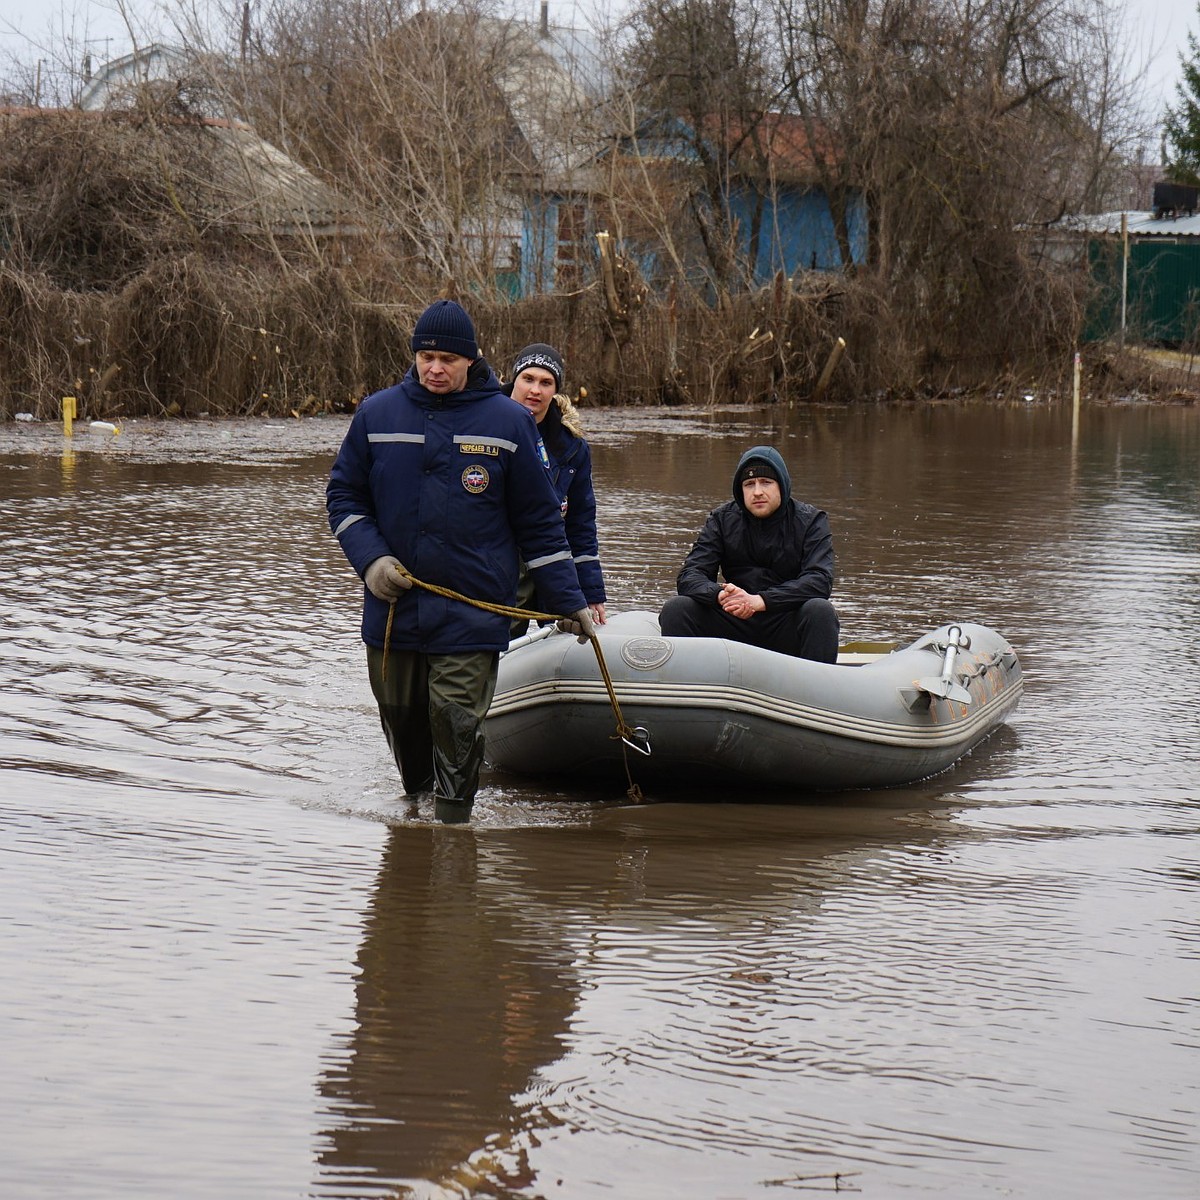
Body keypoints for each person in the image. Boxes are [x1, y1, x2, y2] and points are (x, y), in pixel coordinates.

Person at [326, 299, 594, 824]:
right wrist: (372, 561)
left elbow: (541, 524)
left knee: (457, 721)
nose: (436, 368)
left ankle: (452, 831)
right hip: (394, 612)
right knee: (403, 722)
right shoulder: (377, 414)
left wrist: (569, 600)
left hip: (472, 612)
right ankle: (415, 826)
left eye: (448, 358)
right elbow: (344, 497)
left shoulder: (509, 422)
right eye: (426, 356)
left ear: (471, 359)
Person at [658, 445, 839, 663]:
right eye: (749, 484)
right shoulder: (721, 520)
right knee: (677, 608)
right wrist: (719, 595)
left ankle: (815, 691)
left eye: (766, 482)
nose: (757, 492)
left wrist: (761, 600)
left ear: (782, 485)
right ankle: (686, 690)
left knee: (820, 610)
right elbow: (689, 575)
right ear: (740, 490)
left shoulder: (811, 521)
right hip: (733, 620)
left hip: (784, 621)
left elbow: (819, 581)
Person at [503, 343, 607, 637]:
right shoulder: (485, 426)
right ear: (515, 380)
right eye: (528, 379)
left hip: (552, 558)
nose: (535, 390)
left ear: (555, 390)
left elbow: (581, 523)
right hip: (500, 561)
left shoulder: (573, 447)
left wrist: (591, 590)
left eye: (546, 382)